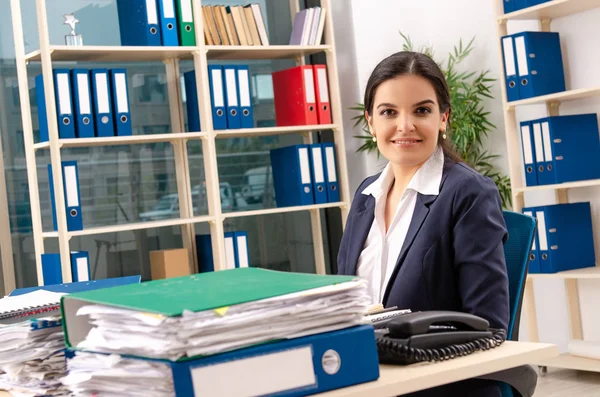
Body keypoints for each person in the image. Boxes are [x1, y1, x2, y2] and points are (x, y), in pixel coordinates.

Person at [337, 51, 510, 397]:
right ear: (370, 122)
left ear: (443, 118)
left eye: (422, 110)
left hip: (437, 386)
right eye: (389, 112)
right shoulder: (365, 196)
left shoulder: (468, 194)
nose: (405, 126)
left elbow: (489, 327)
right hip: (368, 378)